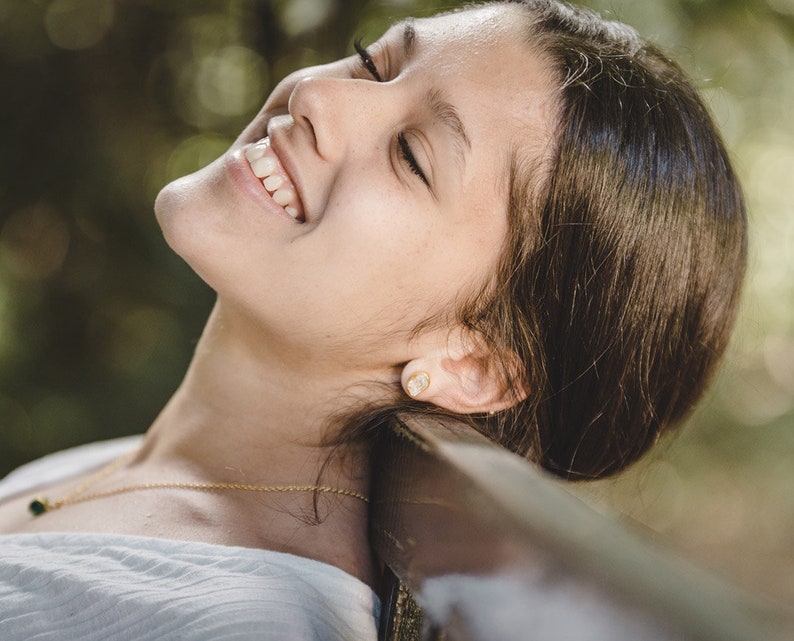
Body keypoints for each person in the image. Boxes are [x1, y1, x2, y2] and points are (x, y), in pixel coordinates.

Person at [0, 0, 746, 638]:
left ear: (472, 363)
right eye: (373, 63)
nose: (321, 99)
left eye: (413, 156)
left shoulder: (236, 623)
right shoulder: (136, 468)